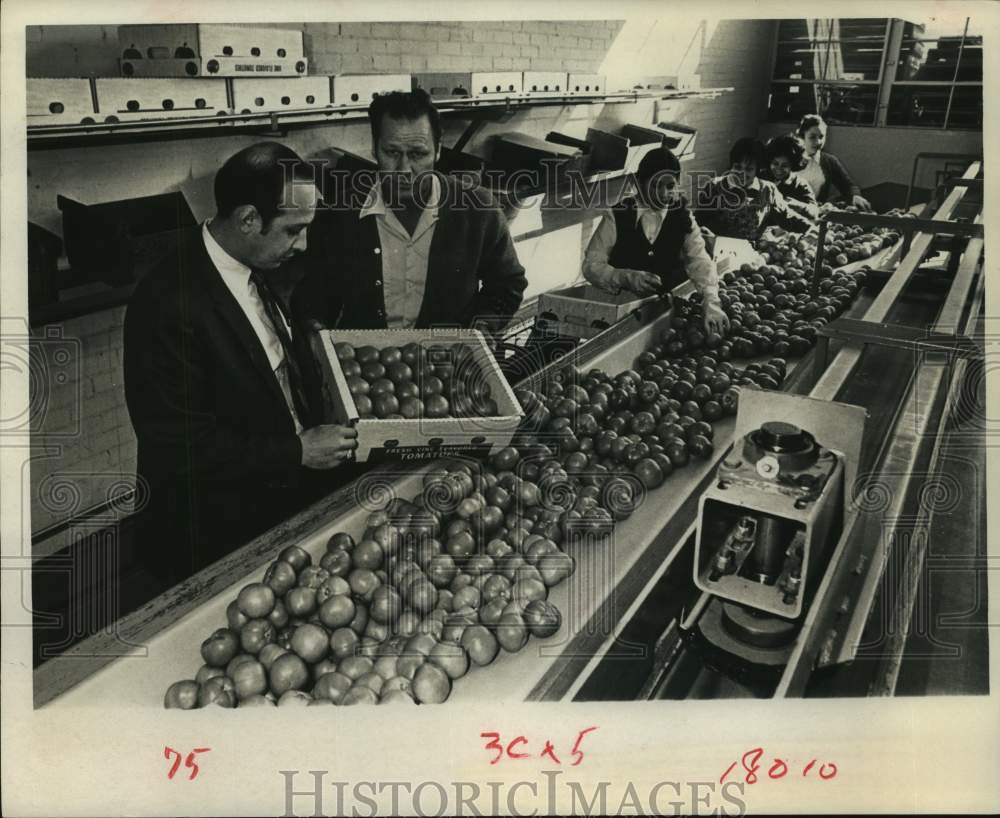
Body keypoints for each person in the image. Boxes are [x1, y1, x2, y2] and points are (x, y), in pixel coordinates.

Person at [123, 142, 359, 584]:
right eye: (293, 230)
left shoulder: (246, 264)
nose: (303, 244)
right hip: (215, 535)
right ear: (249, 219)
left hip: (276, 499)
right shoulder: (166, 304)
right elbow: (179, 446)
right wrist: (298, 451)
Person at [292, 89, 527, 336]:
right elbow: (314, 297)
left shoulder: (479, 209)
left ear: (437, 150)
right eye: (392, 153)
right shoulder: (339, 213)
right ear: (374, 149)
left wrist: (483, 327)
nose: (404, 170)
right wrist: (315, 332)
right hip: (367, 364)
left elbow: (508, 284)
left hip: (448, 362)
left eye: (418, 154)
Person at [583, 146, 728, 336]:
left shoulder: (682, 216)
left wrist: (711, 301)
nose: (662, 194)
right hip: (623, 312)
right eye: (655, 186)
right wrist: (625, 276)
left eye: (669, 186)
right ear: (639, 183)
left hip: (663, 313)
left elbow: (698, 260)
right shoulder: (617, 215)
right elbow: (591, 265)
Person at [696, 137, 812, 244]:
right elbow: (698, 223)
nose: (742, 173)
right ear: (731, 166)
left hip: (750, 258)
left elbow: (788, 217)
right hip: (717, 253)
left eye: (749, 169)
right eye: (738, 167)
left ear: (757, 170)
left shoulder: (768, 190)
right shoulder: (715, 187)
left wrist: (810, 229)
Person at [796, 114, 871, 209]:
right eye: (812, 137)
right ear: (802, 137)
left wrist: (855, 196)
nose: (818, 142)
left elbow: (848, 186)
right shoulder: (790, 158)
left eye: (821, 137)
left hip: (816, 212)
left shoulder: (829, 161)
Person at [761, 134, 819, 221]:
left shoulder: (800, 184)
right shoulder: (760, 177)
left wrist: (798, 206)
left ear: (793, 165)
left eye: (784, 165)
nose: (779, 169)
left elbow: (815, 211)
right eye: (775, 164)